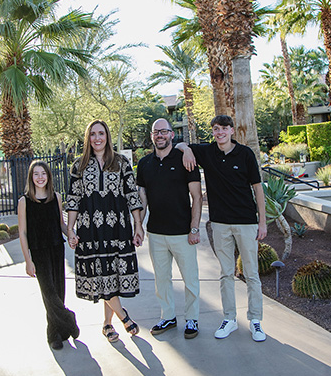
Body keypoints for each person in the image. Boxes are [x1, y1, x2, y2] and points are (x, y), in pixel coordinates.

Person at [178, 115, 268, 342]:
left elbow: (258, 189)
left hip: (246, 222)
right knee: (226, 273)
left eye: (224, 129)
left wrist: (262, 221)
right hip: (220, 224)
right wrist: (187, 151)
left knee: (251, 274)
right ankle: (230, 318)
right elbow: (179, 144)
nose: (219, 133)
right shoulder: (208, 153)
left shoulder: (245, 154)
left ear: (231, 131)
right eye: (216, 129)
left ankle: (255, 320)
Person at [66, 120, 145, 343]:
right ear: (87, 138)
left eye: (101, 133)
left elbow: (132, 196)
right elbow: (73, 200)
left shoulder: (121, 162)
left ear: (107, 136)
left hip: (118, 228)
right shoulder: (78, 166)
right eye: (93, 134)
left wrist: (138, 225)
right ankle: (123, 316)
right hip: (89, 229)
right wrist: (71, 230)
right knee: (100, 274)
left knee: (112, 276)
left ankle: (107, 324)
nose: (97, 138)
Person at [136, 119, 203, 339]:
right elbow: (142, 200)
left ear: (172, 134)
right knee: (162, 279)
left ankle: (192, 318)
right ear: (152, 135)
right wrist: (139, 226)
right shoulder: (144, 164)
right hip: (156, 233)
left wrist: (194, 229)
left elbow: (197, 197)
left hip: (183, 233)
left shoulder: (185, 159)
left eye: (164, 131)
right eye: (156, 132)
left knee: (190, 278)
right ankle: (168, 316)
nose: (160, 135)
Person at [18, 160, 79, 350]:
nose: (40, 177)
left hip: (56, 248)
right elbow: (22, 233)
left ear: (48, 176)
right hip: (39, 252)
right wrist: (28, 261)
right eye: (36, 174)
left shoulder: (56, 197)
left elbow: (60, 223)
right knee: (49, 292)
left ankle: (57, 334)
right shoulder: (24, 201)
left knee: (59, 290)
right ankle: (68, 319)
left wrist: (70, 233)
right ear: (31, 177)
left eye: (43, 173)